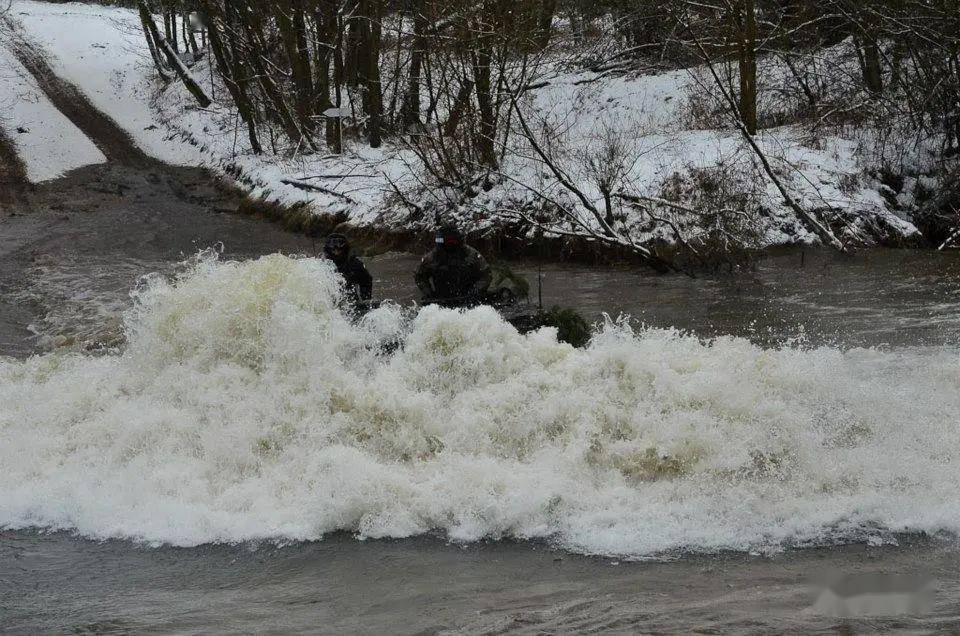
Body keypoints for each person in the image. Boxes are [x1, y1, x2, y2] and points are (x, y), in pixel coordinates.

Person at [415, 225, 492, 305]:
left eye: (452, 241)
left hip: (468, 298)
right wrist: (429, 293)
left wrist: (476, 290)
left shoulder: (471, 254)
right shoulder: (432, 257)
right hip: (441, 299)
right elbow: (419, 276)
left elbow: (486, 275)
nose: (450, 244)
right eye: (447, 241)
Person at [323, 233, 372, 303]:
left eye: (339, 250)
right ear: (329, 249)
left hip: (350, 302)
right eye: (334, 250)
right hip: (326, 302)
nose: (336, 253)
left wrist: (365, 299)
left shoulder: (354, 264)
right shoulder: (321, 265)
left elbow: (367, 281)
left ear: (344, 249)